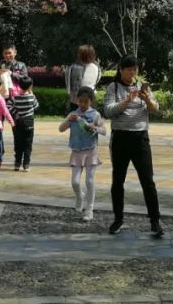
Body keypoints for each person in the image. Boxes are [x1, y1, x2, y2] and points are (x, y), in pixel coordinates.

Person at [103, 55, 163, 238]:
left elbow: (156, 109)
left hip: (140, 138)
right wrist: (127, 100)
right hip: (120, 138)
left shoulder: (143, 87)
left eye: (134, 69)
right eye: (128, 69)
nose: (132, 73)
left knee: (148, 181)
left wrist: (147, 99)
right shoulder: (113, 87)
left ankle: (155, 221)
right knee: (118, 180)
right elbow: (108, 111)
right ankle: (118, 218)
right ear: (121, 70)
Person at [58, 86, 106, 222]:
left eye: (86, 101)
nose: (83, 104)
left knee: (89, 181)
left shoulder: (96, 114)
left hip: (91, 150)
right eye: (80, 101)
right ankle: (80, 196)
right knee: (75, 182)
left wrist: (94, 127)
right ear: (77, 100)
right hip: (76, 151)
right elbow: (61, 129)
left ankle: (89, 210)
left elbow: (104, 130)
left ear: (91, 101)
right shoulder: (73, 114)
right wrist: (69, 120)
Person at [7, 75, 39, 171]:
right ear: (30, 86)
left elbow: (8, 106)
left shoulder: (15, 98)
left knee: (18, 144)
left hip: (18, 124)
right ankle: (26, 165)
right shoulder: (32, 97)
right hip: (29, 124)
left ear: (19, 86)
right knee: (28, 145)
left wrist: (16, 113)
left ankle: (17, 164)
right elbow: (36, 107)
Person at [65, 44, 101, 111]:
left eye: (79, 53)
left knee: (75, 120)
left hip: (76, 100)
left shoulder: (73, 67)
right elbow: (97, 80)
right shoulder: (97, 66)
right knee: (91, 120)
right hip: (91, 99)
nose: (78, 55)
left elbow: (68, 83)